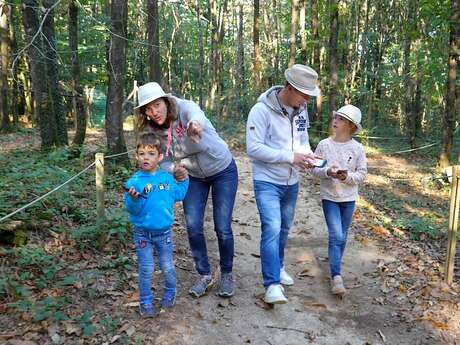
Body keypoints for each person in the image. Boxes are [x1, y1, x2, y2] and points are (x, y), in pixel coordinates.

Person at [135, 82, 238, 298]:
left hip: (222, 169)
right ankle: (205, 274)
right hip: (193, 177)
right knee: (193, 225)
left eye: (157, 105)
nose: (155, 112)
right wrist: (175, 169)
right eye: (149, 109)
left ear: (165, 101)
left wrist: (195, 124)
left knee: (222, 226)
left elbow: (195, 113)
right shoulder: (153, 132)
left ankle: (226, 273)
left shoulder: (183, 107)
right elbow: (161, 161)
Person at [246, 64, 320, 304]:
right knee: (272, 228)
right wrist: (291, 157)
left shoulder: (301, 109)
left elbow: (302, 140)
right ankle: (271, 285)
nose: (307, 99)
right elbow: (254, 148)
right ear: (289, 88)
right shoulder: (261, 110)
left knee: (285, 228)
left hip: (292, 180)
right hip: (267, 180)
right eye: (304, 94)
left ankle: (277, 267)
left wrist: (308, 157)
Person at [125, 133, 189, 317]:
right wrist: (134, 199)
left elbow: (178, 195)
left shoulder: (166, 179)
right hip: (142, 233)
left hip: (164, 233)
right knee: (146, 268)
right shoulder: (134, 182)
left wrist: (184, 180)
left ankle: (170, 291)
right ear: (136, 156)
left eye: (151, 153)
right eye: (142, 153)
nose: (146, 157)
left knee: (167, 265)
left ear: (160, 157)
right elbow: (133, 210)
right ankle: (145, 301)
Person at [311, 104, 367, 295]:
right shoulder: (324, 145)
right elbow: (314, 168)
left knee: (342, 235)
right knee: (336, 235)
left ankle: (335, 266)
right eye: (335, 117)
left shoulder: (358, 148)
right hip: (330, 197)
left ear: (351, 126)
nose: (335, 121)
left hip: (349, 199)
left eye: (341, 119)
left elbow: (362, 174)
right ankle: (336, 276)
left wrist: (346, 177)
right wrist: (328, 172)